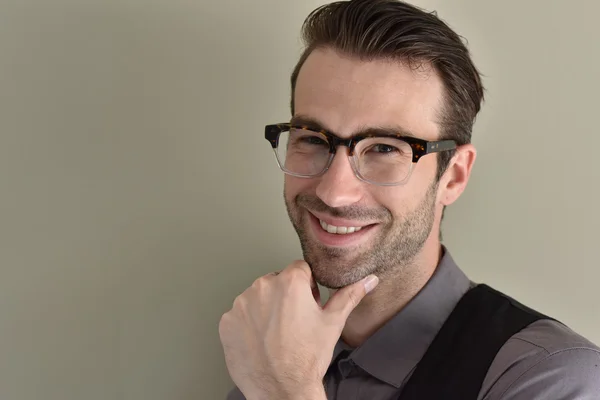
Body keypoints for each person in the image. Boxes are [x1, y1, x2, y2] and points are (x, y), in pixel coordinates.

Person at [218, 1, 600, 399]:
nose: (333, 191)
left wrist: (284, 390)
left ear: (453, 175)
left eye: (384, 148)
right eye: (313, 140)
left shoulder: (552, 377)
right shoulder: (272, 350)